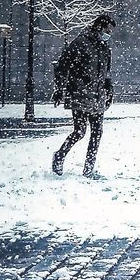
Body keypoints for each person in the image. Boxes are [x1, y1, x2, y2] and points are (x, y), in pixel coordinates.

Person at [51, 13, 115, 178]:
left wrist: (109, 89)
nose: (109, 33)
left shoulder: (104, 47)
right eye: (108, 29)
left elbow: (106, 72)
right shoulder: (81, 43)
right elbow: (62, 65)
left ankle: (88, 170)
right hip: (80, 94)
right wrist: (60, 89)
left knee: (97, 132)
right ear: (99, 27)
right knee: (80, 131)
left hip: (97, 95)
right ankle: (59, 155)